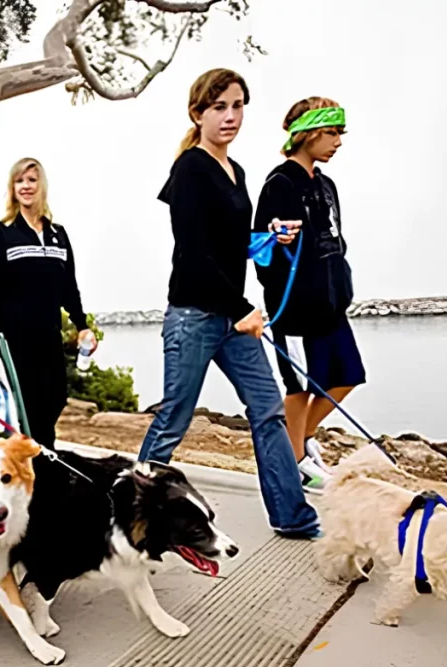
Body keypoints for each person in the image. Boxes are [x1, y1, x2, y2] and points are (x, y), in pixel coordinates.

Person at [137, 68, 320, 539]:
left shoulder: (236, 172)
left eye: (237, 106)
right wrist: (242, 309)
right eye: (219, 107)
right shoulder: (190, 169)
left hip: (231, 318)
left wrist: (269, 237)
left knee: (268, 410)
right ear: (198, 113)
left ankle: (293, 518)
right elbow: (195, 256)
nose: (230, 116)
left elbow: (230, 243)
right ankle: (127, 508)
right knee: (174, 419)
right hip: (195, 317)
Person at [253, 97, 362, 492]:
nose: (338, 142)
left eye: (339, 134)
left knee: (348, 376)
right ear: (309, 133)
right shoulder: (279, 183)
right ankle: (296, 460)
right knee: (299, 386)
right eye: (331, 133)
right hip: (296, 308)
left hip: (332, 305)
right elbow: (258, 249)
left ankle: (300, 441)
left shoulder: (327, 185)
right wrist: (273, 239)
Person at [0, 158, 96, 449]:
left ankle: (40, 465)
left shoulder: (58, 235)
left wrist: (82, 325)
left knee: (55, 399)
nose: (26, 187)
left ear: (41, 185)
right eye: (20, 181)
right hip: (14, 338)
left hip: (49, 337)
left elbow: (69, 287)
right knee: (27, 411)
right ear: (12, 188)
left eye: (31, 180)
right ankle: (38, 472)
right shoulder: (2, 232)